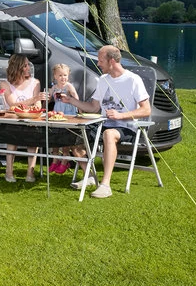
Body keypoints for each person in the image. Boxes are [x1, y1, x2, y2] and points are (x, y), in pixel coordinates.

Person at [61, 45, 151, 198]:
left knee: (109, 134)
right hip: (104, 124)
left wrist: (120, 116)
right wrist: (71, 101)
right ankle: (90, 176)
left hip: (127, 126)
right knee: (75, 133)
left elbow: (146, 110)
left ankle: (105, 185)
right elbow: (94, 107)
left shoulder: (133, 80)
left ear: (112, 61)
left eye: (101, 60)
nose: (98, 64)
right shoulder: (103, 80)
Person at [0, 54, 48, 183]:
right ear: (18, 67)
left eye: (28, 65)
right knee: (12, 137)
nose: (29, 68)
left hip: (29, 120)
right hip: (12, 120)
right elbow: (12, 104)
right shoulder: (5, 84)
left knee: (32, 136)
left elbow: (38, 105)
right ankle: (9, 172)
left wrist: (36, 103)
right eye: (25, 65)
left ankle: (30, 173)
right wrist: (34, 99)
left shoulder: (35, 82)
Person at [48, 64, 79, 174]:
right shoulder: (54, 88)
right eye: (60, 75)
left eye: (65, 75)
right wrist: (47, 97)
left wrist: (69, 98)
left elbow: (77, 98)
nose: (63, 78)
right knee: (56, 137)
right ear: (55, 76)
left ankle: (65, 161)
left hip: (68, 113)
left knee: (66, 138)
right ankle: (55, 160)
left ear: (68, 75)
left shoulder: (69, 86)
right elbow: (48, 99)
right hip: (58, 113)